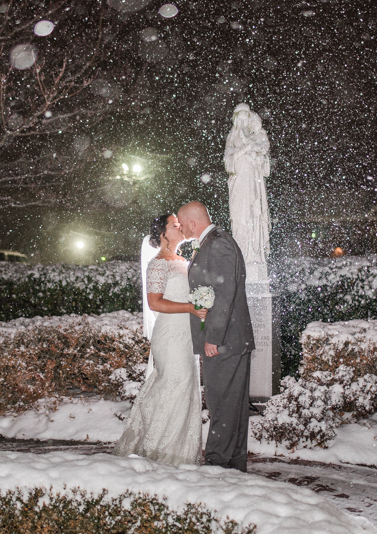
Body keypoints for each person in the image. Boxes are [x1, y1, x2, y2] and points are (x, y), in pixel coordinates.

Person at [113, 213, 207, 466]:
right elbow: (155, 303)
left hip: (186, 336)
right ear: (163, 234)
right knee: (173, 384)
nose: (180, 228)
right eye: (175, 225)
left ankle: (181, 452)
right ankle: (159, 450)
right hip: (169, 336)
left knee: (185, 388)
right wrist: (189, 307)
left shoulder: (183, 260)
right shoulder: (158, 264)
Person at [176, 201, 255, 472]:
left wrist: (213, 337)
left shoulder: (218, 244)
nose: (181, 228)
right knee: (231, 404)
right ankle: (233, 463)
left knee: (222, 403)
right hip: (231, 339)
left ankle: (216, 465)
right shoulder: (212, 241)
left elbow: (224, 294)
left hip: (225, 341)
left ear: (193, 223)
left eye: (182, 223)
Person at [224, 103, 271, 265]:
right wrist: (243, 150)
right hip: (239, 184)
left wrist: (261, 159)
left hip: (253, 183)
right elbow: (228, 161)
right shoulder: (233, 138)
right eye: (240, 121)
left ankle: (254, 255)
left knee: (253, 215)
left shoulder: (255, 137)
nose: (243, 125)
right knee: (239, 218)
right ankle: (242, 253)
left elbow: (265, 166)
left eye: (246, 121)